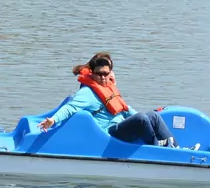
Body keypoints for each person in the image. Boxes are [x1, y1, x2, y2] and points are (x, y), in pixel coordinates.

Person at [38, 52, 182, 148]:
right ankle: (158, 148)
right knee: (142, 118)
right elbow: (70, 108)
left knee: (153, 116)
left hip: (121, 126)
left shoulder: (109, 88)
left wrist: (141, 118)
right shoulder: (87, 92)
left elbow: (125, 109)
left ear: (110, 73)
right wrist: (53, 120)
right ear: (92, 74)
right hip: (111, 133)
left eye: (105, 74)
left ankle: (176, 148)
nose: (102, 77)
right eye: (99, 74)